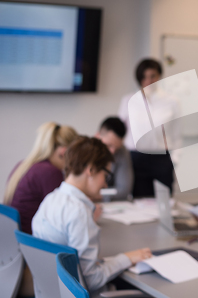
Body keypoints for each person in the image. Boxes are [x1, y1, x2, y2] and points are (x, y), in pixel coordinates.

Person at [32, 136, 152, 296]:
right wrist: (126, 258)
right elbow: (91, 279)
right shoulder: (78, 212)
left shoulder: (50, 199)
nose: (105, 184)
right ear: (91, 170)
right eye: (106, 175)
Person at [118, 58, 181, 197]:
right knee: (139, 200)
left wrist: (175, 159)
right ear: (139, 78)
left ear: (159, 76)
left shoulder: (171, 101)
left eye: (153, 76)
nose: (149, 81)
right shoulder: (128, 100)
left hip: (161, 158)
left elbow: (177, 134)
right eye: (144, 77)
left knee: (164, 201)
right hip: (135, 158)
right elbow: (120, 131)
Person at [5, 122, 78, 234]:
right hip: (32, 241)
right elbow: (63, 218)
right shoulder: (51, 173)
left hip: (17, 238)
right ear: (63, 152)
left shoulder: (22, 165)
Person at [95, 116, 133, 201]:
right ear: (97, 135)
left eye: (116, 147)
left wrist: (97, 196)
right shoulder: (84, 153)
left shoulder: (122, 152)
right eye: (109, 145)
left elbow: (123, 190)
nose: (112, 152)